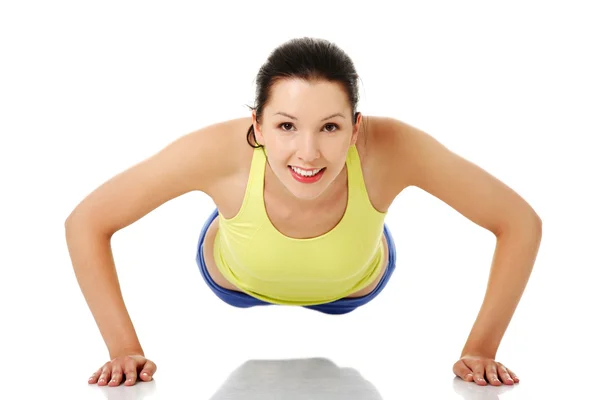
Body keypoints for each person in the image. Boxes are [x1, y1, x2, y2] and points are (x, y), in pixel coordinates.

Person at [65, 37, 541, 389]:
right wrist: (123, 349)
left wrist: (481, 349)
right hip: (235, 276)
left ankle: (355, 229)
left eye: (330, 127)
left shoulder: (393, 148)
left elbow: (520, 223)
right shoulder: (215, 151)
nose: (307, 153)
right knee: (241, 217)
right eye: (287, 126)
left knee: (356, 213)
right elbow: (86, 222)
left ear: (356, 129)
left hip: (355, 282)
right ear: (258, 123)